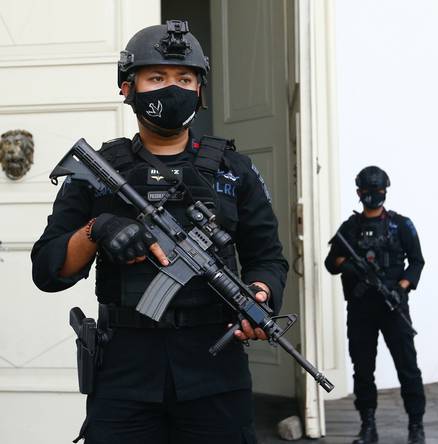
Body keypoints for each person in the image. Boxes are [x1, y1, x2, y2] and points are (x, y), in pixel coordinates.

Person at [31, 20, 288, 444]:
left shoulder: (234, 171)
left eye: (184, 78)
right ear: (127, 88)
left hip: (214, 370)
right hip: (124, 373)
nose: (172, 88)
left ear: (200, 91)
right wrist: (97, 229)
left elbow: (268, 258)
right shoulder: (98, 172)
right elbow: (47, 269)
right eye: (157, 77)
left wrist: (260, 293)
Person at [325, 166, 426, 444]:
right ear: (359, 193)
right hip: (361, 309)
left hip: (394, 307)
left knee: (407, 366)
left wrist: (401, 288)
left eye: (378, 191)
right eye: (368, 192)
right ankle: (367, 425)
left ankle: (416, 425)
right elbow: (330, 263)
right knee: (363, 368)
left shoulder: (401, 225)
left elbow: (417, 262)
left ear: (385, 192)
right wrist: (351, 267)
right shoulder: (350, 228)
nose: (373, 196)